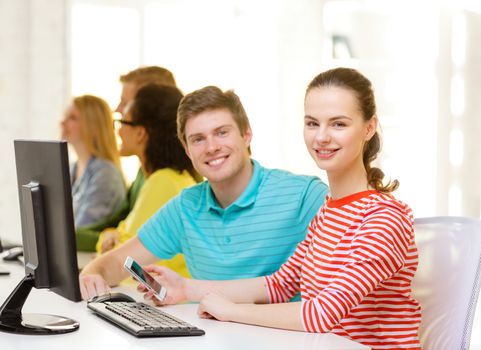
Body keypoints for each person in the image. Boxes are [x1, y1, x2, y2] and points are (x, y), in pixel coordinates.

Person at [135, 68, 422, 349]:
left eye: (338, 124)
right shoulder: (329, 212)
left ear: (369, 127)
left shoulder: (384, 218)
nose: (321, 137)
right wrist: (185, 288)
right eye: (312, 123)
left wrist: (232, 311)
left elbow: (321, 313)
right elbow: (279, 285)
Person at [79, 86, 328, 299]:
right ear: (187, 149)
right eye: (198, 139)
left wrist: (188, 290)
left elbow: (333, 290)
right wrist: (93, 274)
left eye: (222, 132)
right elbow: (116, 262)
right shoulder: (186, 207)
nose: (212, 147)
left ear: (246, 134)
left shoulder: (305, 195)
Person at [97, 84, 200, 277]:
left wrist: (111, 237)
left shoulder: (163, 182)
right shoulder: (166, 178)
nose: (118, 131)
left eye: (123, 123)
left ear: (140, 133)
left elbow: (121, 260)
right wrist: (111, 235)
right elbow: (119, 238)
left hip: (168, 301)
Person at [76, 66, 177, 251]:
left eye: (126, 104)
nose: (117, 110)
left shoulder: (165, 180)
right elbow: (121, 226)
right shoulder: (144, 172)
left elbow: (130, 246)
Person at [61, 95, 126, 227]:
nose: (62, 122)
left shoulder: (105, 174)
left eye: (72, 118)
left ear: (94, 126)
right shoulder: (72, 168)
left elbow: (80, 232)